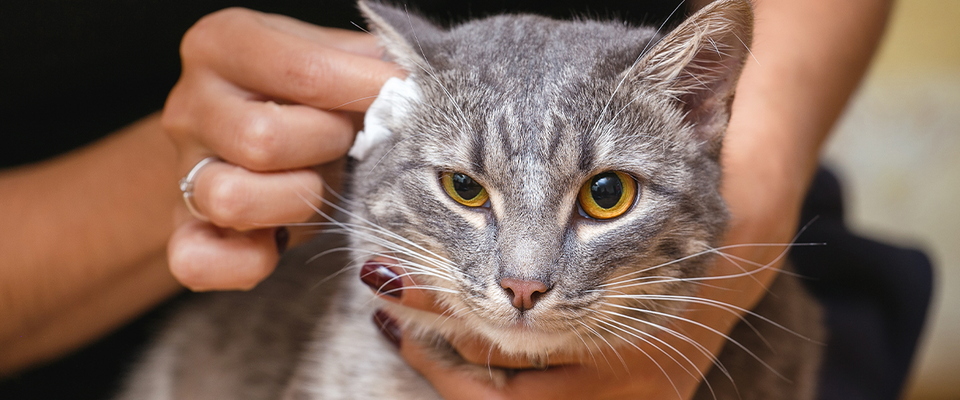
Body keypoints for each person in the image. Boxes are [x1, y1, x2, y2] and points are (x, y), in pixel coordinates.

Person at [1, 0, 922, 399]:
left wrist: (749, 206)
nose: (525, 280)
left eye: (601, 196)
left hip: (740, 222)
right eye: (466, 188)